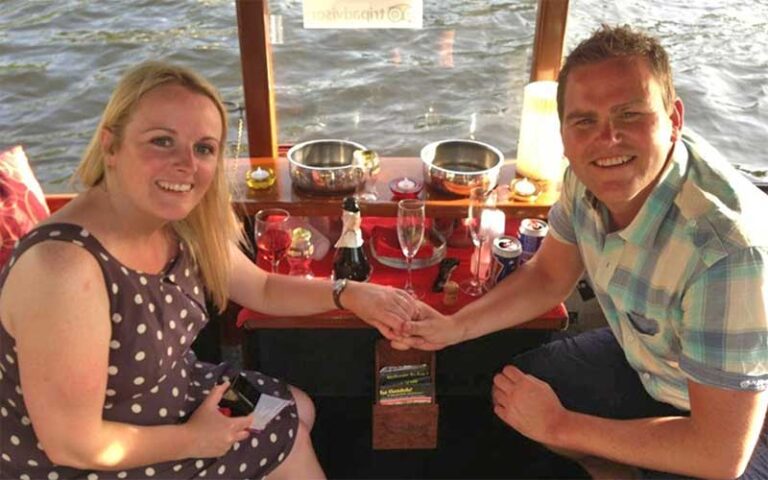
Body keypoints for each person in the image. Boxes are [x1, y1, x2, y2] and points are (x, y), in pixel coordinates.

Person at [0, 61, 416, 480]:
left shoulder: (180, 221)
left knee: (297, 406)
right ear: (111, 146)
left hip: (169, 395)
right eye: (162, 141)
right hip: (87, 457)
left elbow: (264, 288)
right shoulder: (63, 269)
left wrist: (349, 293)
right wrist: (198, 438)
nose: (186, 165)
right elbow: (73, 443)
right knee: (285, 441)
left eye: (203, 148)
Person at [395, 24, 768, 479]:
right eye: (584, 121)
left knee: (545, 419)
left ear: (673, 119)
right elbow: (550, 275)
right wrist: (452, 328)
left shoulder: (725, 252)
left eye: (629, 114)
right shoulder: (585, 177)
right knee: (516, 387)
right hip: (652, 363)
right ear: (566, 131)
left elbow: (720, 455)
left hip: (739, 425)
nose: (606, 139)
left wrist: (560, 425)